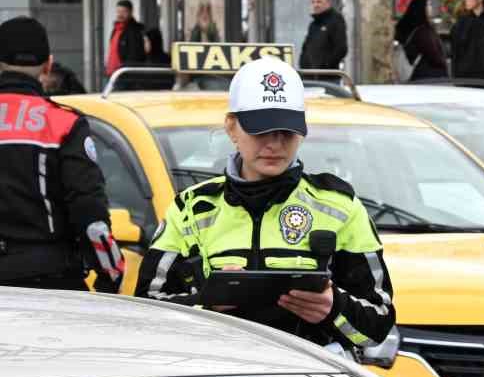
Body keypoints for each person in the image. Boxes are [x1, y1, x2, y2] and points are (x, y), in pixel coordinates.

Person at [134, 56, 396, 358]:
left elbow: (378, 327)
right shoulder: (192, 209)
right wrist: (206, 303)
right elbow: (145, 315)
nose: (274, 144)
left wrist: (333, 307)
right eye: (261, 130)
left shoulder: (340, 206)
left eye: (286, 131)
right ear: (232, 128)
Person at [0, 17, 124, 293]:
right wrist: (111, 273)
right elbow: (89, 212)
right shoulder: (64, 123)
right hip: (50, 283)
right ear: (47, 65)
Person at [394, 0, 448, 82]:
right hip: (429, 77)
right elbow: (433, 54)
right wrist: (443, 63)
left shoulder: (412, 29)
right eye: (428, 5)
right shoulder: (423, 31)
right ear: (422, 8)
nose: (431, 7)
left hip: (418, 76)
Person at [301, 0, 349, 72]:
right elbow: (306, 48)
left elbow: (341, 49)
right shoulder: (313, 25)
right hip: (309, 76)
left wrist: (325, 66)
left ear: (328, 2)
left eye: (319, 2)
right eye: (313, 2)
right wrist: (303, 64)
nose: (315, 5)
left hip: (328, 78)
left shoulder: (336, 20)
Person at [106, 0, 145, 80]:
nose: (120, 14)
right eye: (118, 11)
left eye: (124, 11)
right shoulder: (116, 29)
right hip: (112, 74)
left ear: (131, 12)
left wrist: (125, 71)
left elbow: (134, 55)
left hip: (124, 75)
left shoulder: (134, 31)